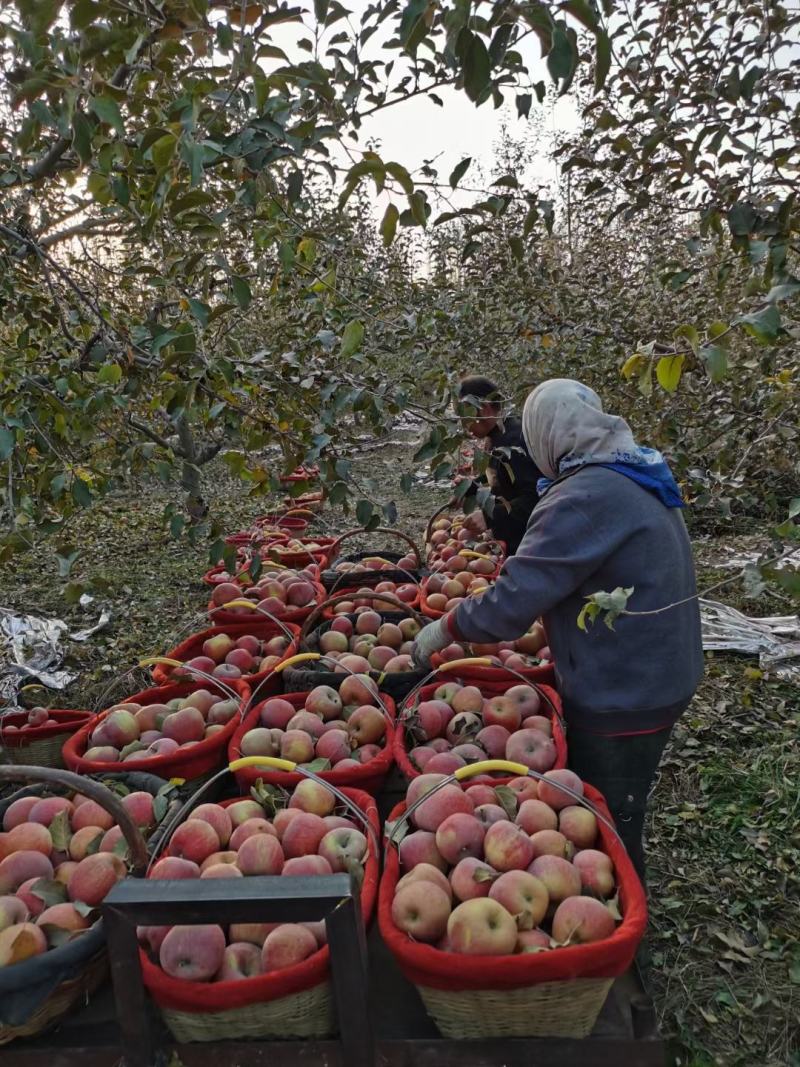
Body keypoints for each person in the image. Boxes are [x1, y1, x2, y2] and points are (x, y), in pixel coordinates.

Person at [414, 378, 704, 882]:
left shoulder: (584, 495)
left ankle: (624, 934)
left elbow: (515, 601)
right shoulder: (630, 468)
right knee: (613, 802)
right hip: (659, 664)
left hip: (628, 687)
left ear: (545, 434)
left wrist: (446, 627)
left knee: (608, 819)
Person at [455, 376, 543, 555]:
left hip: (530, 545)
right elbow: (502, 477)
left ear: (485, 409)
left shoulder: (513, 441)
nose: (464, 426)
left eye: (465, 418)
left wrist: (489, 516)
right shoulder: (499, 435)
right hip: (512, 540)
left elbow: (536, 498)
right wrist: (471, 488)